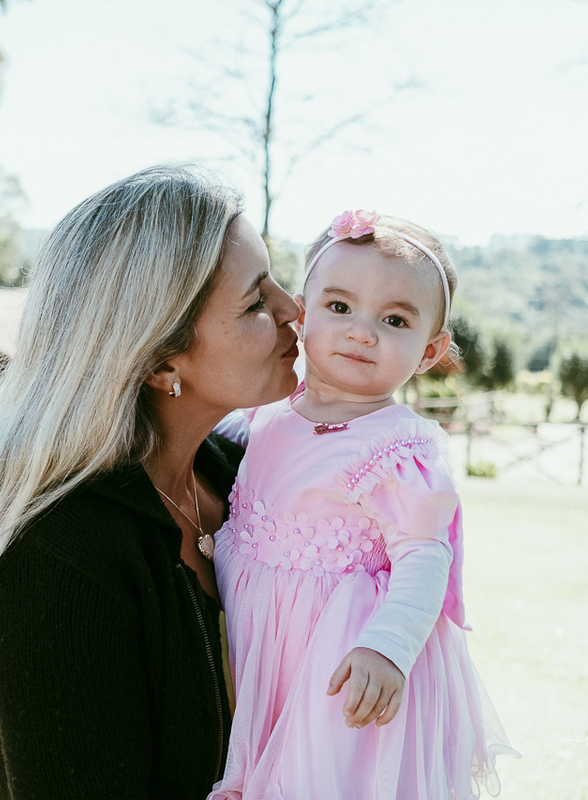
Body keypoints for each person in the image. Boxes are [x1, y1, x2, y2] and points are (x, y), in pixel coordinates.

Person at [0, 165, 301, 799]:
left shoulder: (239, 478)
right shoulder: (56, 557)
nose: (294, 308)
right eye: (256, 300)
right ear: (160, 360)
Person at [210, 210, 519, 799]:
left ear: (430, 350)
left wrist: (389, 646)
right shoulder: (265, 416)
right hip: (263, 647)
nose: (361, 331)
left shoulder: (398, 447)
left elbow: (426, 557)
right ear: (302, 313)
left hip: (341, 662)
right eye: (340, 307)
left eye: (394, 319)